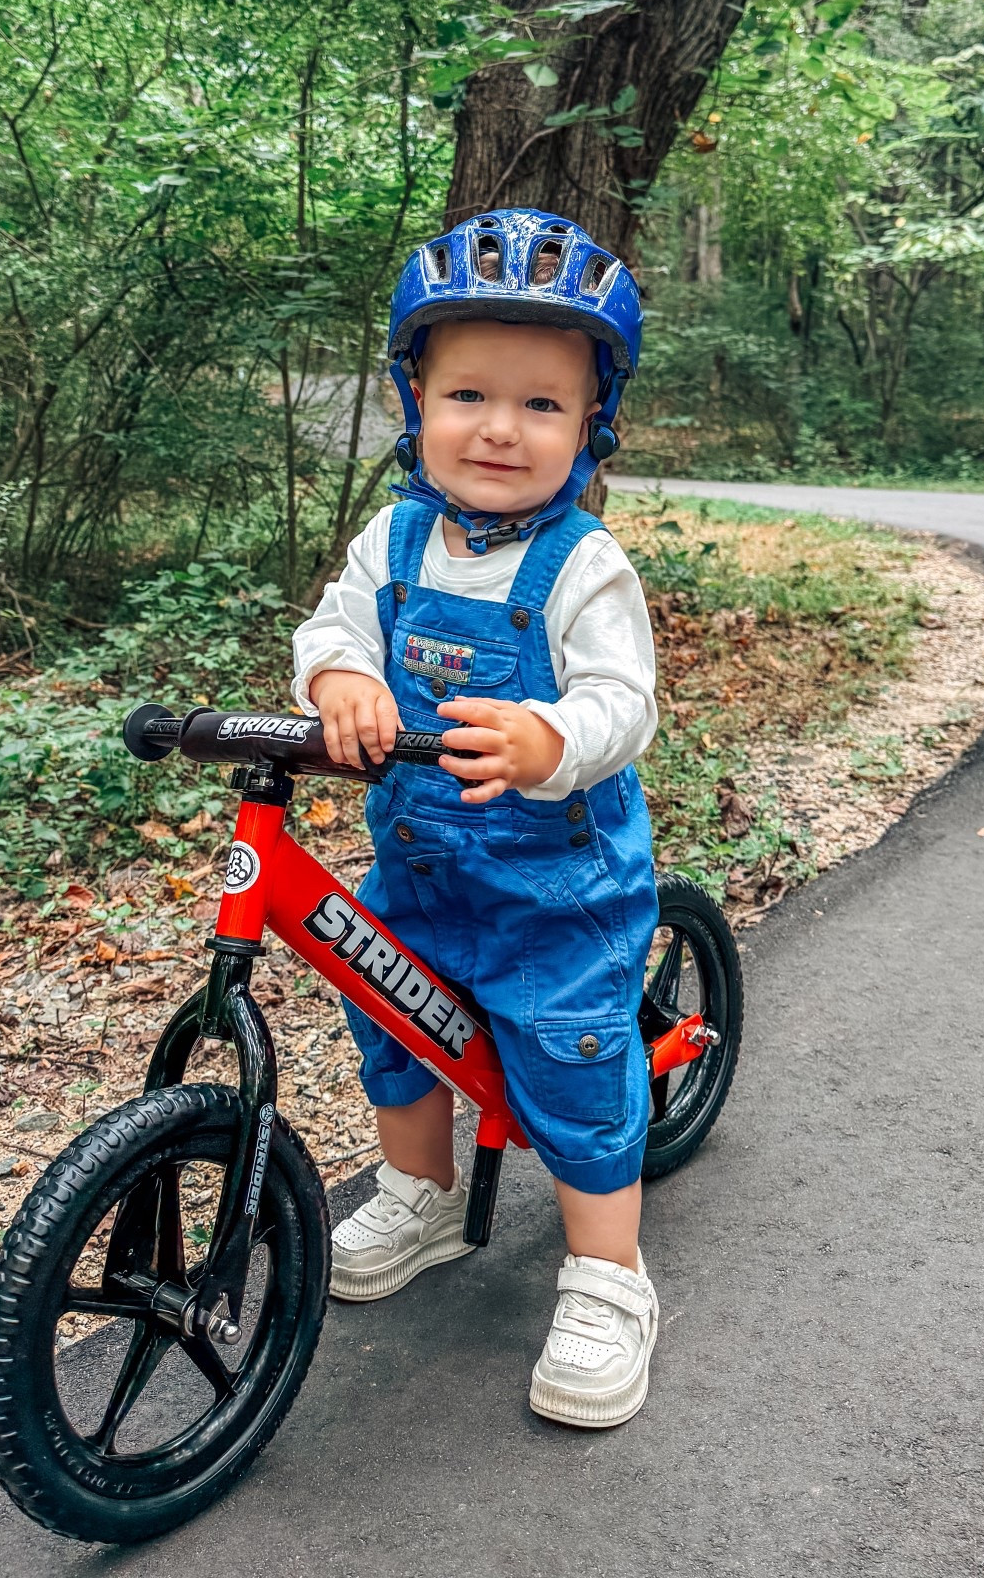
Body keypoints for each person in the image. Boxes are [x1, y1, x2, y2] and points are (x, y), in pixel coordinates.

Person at [290, 208, 662, 1429]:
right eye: (467, 393)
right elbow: (336, 627)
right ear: (413, 397)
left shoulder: (583, 565)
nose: (499, 427)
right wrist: (338, 677)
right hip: (422, 865)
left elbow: (621, 698)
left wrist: (553, 736)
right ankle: (423, 1190)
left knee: (572, 1058)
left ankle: (608, 1272)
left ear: (589, 426)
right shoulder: (392, 538)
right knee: (390, 1018)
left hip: (555, 891)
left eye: (542, 404)